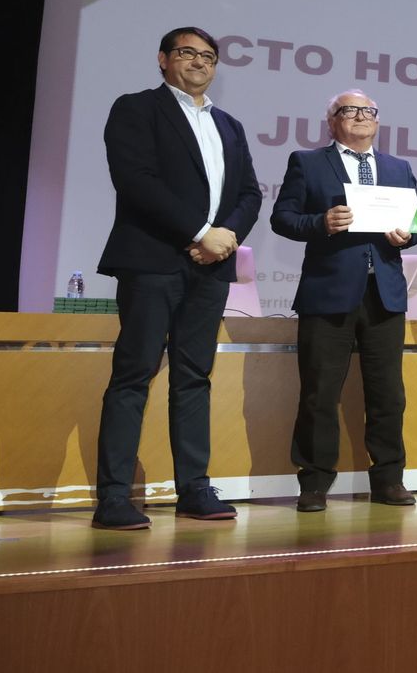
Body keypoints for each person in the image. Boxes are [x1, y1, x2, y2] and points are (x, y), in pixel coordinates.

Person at [91, 26, 261, 530]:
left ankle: (193, 488)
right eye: (187, 53)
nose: (199, 62)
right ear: (163, 59)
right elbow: (135, 180)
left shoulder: (229, 124)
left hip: (209, 270)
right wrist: (200, 231)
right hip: (152, 262)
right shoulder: (137, 108)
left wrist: (225, 236)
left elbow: (250, 191)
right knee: (133, 375)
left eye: (208, 56)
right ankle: (114, 496)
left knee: (194, 378)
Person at [271, 89, 417, 511]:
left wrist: (407, 234)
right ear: (332, 121)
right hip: (328, 292)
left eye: (369, 111)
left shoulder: (399, 167)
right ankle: (315, 483)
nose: (361, 116)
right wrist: (321, 222)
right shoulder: (307, 162)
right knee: (320, 392)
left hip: (385, 293)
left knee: (388, 394)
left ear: (377, 121)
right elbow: (283, 218)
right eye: (350, 110)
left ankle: (389, 479)